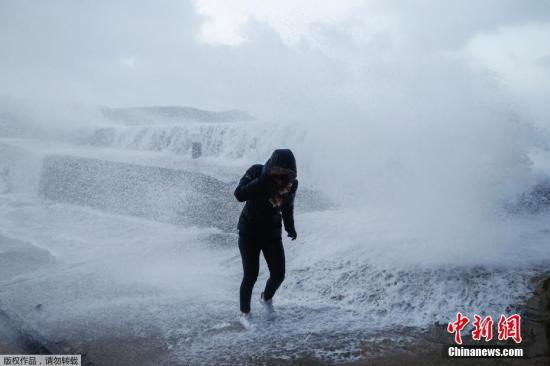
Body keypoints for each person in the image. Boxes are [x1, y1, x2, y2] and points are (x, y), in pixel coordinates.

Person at [234, 149, 298, 328]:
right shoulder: (256, 172)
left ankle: (266, 299)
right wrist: (262, 181)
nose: (282, 175)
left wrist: (290, 227)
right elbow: (239, 194)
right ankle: (244, 313)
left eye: (287, 172)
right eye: (278, 170)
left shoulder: (291, 184)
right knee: (250, 275)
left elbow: (287, 207)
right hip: (249, 232)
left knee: (278, 275)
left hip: (272, 233)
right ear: (271, 166)